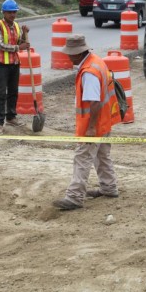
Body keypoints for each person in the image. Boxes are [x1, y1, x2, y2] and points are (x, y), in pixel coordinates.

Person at [52, 34, 122, 210]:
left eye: (69, 53)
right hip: (105, 121)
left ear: (77, 54)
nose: (67, 56)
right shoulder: (96, 61)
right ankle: (109, 187)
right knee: (102, 155)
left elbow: (95, 101)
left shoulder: (89, 72)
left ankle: (74, 197)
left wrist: (91, 128)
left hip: (95, 125)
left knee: (82, 158)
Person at [0, 0, 30, 135]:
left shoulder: (17, 26)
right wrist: (19, 47)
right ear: (4, 12)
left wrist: (25, 34)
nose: (12, 15)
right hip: (2, 65)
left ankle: (11, 116)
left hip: (14, 63)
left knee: (13, 91)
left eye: (14, 12)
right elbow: (0, 45)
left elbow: (20, 41)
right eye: (9, 12)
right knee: (1, 93)